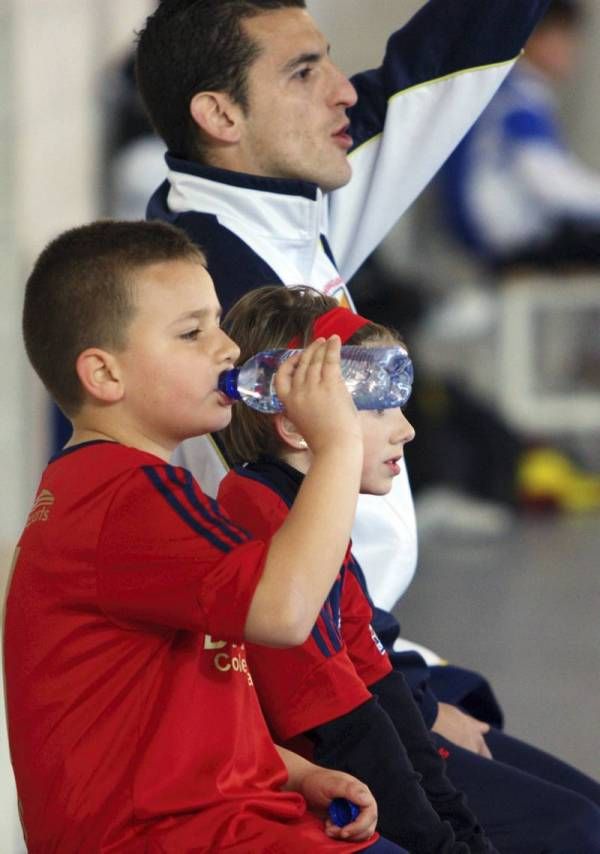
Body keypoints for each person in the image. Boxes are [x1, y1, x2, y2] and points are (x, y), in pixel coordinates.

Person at [4, 219, 407, 854]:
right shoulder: (129, 497)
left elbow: (181, 716)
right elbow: (284, 612)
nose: (226, 349)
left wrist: (298, 772)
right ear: (104, 376)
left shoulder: (111, 492)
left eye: (218, 324)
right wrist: (335, 444)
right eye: (193, 333)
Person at [217, 284, 600, 854]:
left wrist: (459, 832)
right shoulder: (263, 515)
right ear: (297, 425)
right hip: (324, 792)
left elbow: (380, 689)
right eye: (377, 406)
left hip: (376, 758)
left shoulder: (304, 512)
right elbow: (340, 731)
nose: (407, 429)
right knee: (575, 832)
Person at [438, 0, 600, 271]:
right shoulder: (516, 97)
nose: (571, 51)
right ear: (532, 37)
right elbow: (549, 182)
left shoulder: (504, 92)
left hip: (498, 236)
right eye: (562, 38)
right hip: (513, 239)